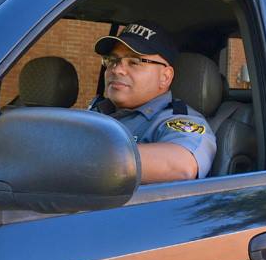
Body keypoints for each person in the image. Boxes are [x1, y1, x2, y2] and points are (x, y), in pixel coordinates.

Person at [93, 22, 216, 183]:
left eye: (134, 62)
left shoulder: (176, 120)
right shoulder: (97, 110)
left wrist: (80, 156)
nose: (116, 70)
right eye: (113, 60)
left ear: (165, 77)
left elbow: (181, 166)